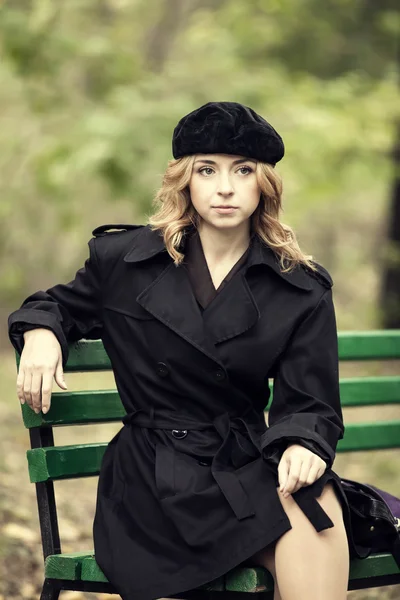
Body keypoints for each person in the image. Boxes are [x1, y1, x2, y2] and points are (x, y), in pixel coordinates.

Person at [8, 101, 353, 600]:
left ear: (266, 184)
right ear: (184, 181)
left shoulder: (298, 287)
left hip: (243, 465)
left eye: (244, 170)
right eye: (207, 170)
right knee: (306, 516)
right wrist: (42, 333)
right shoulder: (125, 261)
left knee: (317, 512)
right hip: (151, 478)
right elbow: (55, 306)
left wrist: (303, 442)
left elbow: (312, 404)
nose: (226, 187)